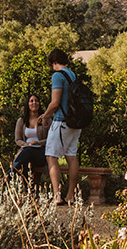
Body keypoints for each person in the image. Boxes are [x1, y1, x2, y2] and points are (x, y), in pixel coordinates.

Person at [41, 49, 80, 205]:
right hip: (76, 122)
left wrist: (45, 116)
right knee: (71, 157)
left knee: (51, 156)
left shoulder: (57, 76)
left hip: (61, 121)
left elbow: (55, 103)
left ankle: (57, 195)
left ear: (52, 62)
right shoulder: (73, 75)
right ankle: (71, 194)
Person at [11, 94, 50, 189]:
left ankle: (10, 173)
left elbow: (51, 139)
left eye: (36, 100)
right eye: (31, 101)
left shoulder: (46, 120)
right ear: (27, 104)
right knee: (26, 161)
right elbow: (18, 139)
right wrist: (27, 144)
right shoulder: (22, 121)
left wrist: (38, 143)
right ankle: (29, 192)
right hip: (26, 152)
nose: (34, 103)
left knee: (28, 152)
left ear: (39, 103)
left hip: (41, 152)